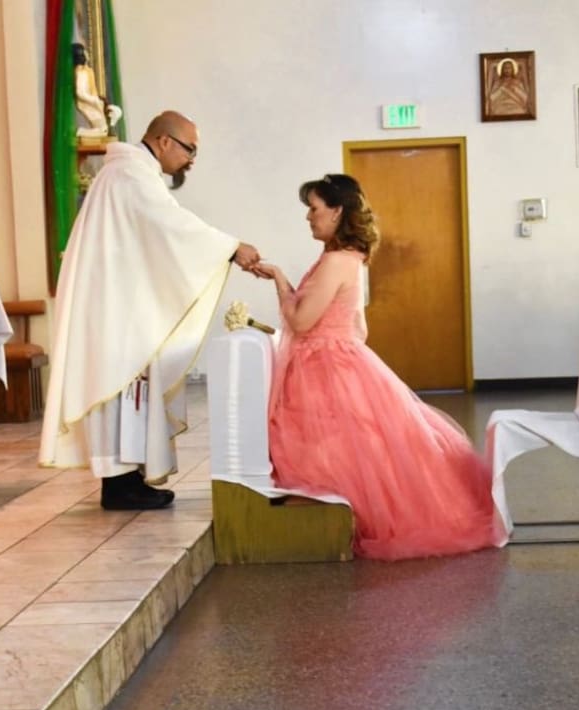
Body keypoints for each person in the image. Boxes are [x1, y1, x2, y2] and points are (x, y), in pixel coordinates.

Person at [255, 174, 508, 560]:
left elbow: (302, 321)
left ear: (337, 212)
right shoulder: (349, 259)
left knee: (328, 446)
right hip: (340, 360)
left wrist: (277, 279)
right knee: (360, 447)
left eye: (314, 208)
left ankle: (325, 518)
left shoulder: (335, 260)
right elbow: (358, 327)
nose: (308, 216)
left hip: (324, 366)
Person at [39, 110, 261, 510]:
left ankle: (127, 479)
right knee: (123, 389)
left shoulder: (130, 173)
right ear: (164, 141)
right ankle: (120, 485)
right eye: (190, 149)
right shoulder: (130, 175)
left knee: (129, 392)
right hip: (115, 309)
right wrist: (231, 247)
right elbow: (171, 225)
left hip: (120, 303)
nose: (191, 159)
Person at [72, 42, 122, 139]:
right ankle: (78, 133)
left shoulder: (87, 70)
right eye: (85, 52)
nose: (87, 54)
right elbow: (80, 93)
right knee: (102, 130)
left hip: (95, 102)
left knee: (114, 115)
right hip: (88, 104)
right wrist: (95, 100)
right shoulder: (81, 72)